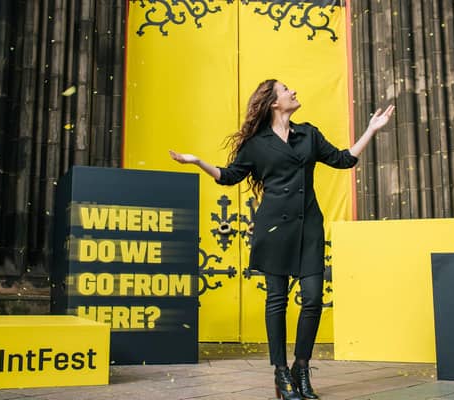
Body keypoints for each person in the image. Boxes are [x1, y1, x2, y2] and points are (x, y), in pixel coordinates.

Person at [169, 79, 394, 400]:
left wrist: (371, 130)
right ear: (274, 102)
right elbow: (230, 176)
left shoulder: (309, 134)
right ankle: (280, 373)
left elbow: (344, 159)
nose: (294, 92)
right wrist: (198, 162)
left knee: (313, 298)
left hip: (309, 227)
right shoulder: (256, 144)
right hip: (274, 229)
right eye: (287, 89)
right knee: (277, 300)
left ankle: (301, 368)